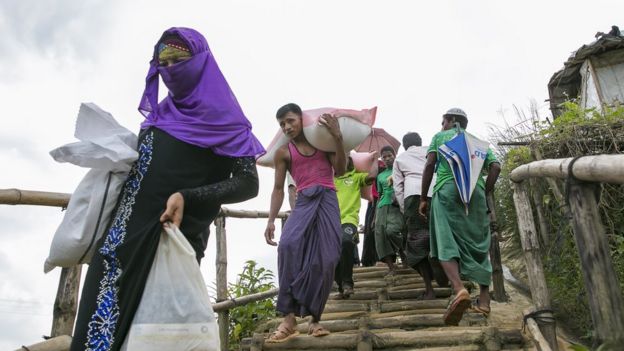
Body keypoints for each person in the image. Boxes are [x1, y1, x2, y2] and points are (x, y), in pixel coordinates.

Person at [70, 27, 265, 351]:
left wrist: (187, 197)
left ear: (201, 62)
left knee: (155, 339)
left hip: (168, 242)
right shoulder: (159, 116)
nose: (170, 69)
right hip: (117, 245)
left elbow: (248, 183)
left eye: (179, 60)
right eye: (164, 62)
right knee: (96, 337)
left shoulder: (229, 122)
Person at [264, 103, 346, 342]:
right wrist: (270, 220)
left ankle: (314, 319)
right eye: (282, 124)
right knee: (288, 245)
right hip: (303, 202)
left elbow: (340, 171)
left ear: (301, 119)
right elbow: (278, 189)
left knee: (327, 257)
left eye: (290, 120)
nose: (287, 127)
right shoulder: (284, 153)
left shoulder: (323, 142)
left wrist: (338, 138)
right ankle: (289, 318)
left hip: (328, 199)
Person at [419, 108, 501, 325]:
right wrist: (486, 191)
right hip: (475, 194)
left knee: (444, 239)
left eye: (443, 121)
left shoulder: (439, 137)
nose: (442, 126)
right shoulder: (477, 142)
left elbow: (429, 164)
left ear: (451, 120)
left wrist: (423, 198)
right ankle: (484, 301)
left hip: (446, 190)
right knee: (479, 243)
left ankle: (459, 289)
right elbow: (495, 167)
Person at [393, 132, 439, 300]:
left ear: (405, 145)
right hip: (437, 192)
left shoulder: (400, 159)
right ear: (420, 142)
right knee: (440, 236)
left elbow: (398, 187)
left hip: (413, 196)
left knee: (416, 243)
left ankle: (429, 289)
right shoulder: (431, 151)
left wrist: (406, 210)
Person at [334, 156, 377, 298]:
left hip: (349, 220)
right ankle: (341, 285)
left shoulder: (356, 177)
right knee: (331, 254)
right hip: (330, 222)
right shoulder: (329, 180)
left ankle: (347, 283)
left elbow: (372, 177)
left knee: (346, 242)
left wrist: (375, 160)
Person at [375, 145, 407, 274]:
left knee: (393, 231)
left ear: (395, 156)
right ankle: (392, 268)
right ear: (382, 159)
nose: (387, 159)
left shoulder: (401, 170)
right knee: (380, 237)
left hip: (397, 206)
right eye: (384, 157)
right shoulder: (380, 176)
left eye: (390, 156)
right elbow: (380, 195)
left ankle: (404, 252)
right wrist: (374, 217)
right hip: (382, 207)